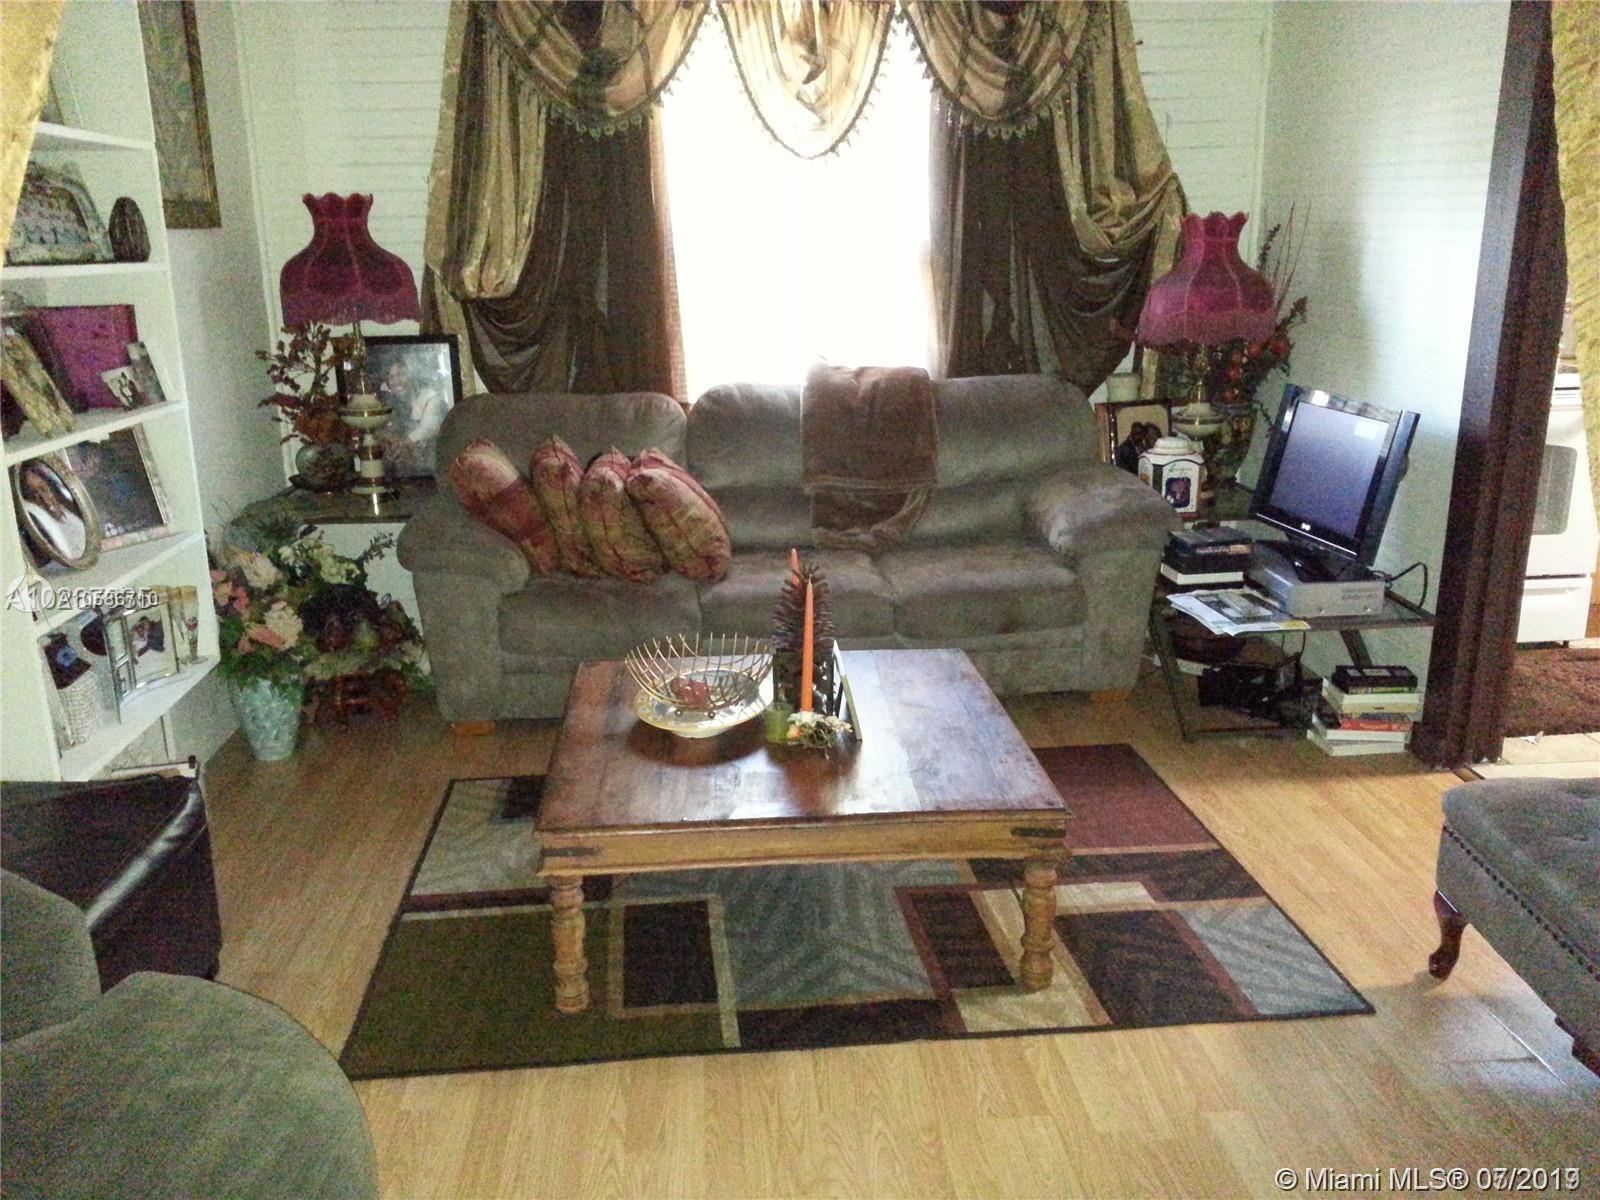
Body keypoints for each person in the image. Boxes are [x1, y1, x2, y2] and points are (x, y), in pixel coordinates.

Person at [18, 462, 87, 562]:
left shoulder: (70, 504)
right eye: (34, 495)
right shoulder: (38, 523)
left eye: (43, 489)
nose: (43, 498)